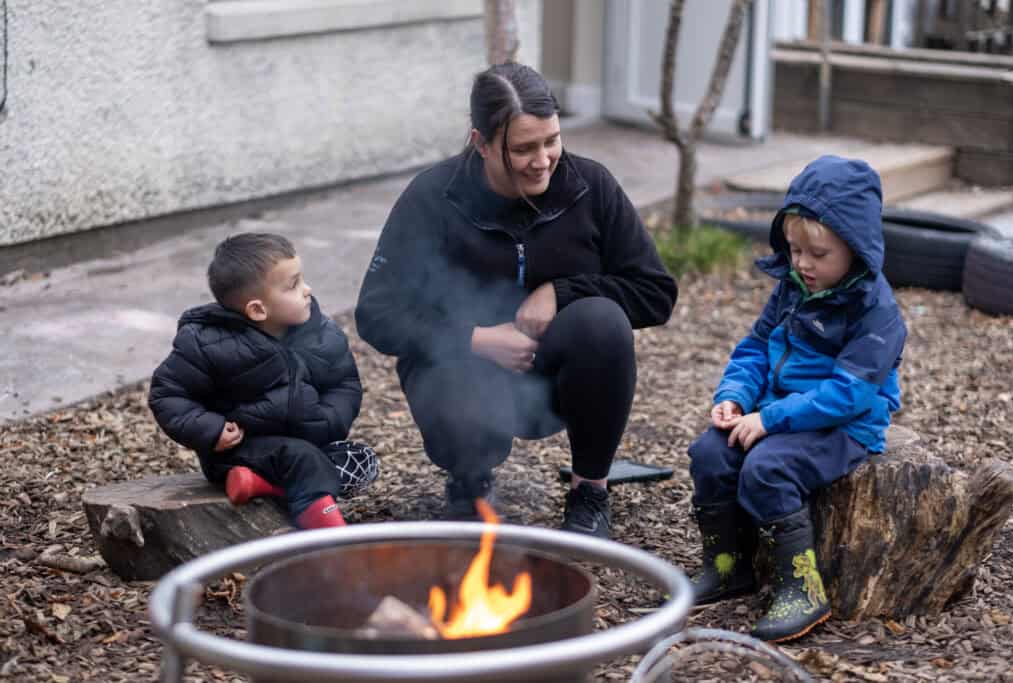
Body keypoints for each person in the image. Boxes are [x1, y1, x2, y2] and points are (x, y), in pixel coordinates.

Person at [354, 62, 677, 538]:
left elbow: (655, 291)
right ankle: (470, 484)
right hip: (465, 378)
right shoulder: (432, 198)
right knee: (441, 357)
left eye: (552, 140)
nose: (544, 160)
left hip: (555, 381)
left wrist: (564, 291)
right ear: (480, 142)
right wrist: (473, 339)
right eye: (524, 148)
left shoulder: (591, 186)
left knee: (602, 321)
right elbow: (375, 312)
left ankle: (590, 492)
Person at [686, 155, 907, 642]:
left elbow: (849, 393)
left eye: (818, 254)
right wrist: (737, 395)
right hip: (778, 412)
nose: (802, 264)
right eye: (793, 250)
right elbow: (757, 347)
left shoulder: (876, 313)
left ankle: (801, 588)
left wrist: (771, 419)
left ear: (856, 249)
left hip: (844, 426)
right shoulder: (792, 288)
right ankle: (727, 566)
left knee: (769, 468)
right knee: (709, 454)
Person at [149, 233, 379, 530]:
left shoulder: (321, 333)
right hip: (241, 453)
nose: (307, 290)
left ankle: (263, 487)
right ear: (258, 309)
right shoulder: (208, 343)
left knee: (362, 462)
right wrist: (211, 431)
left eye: (303, 279)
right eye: (293, 284)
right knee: (302, 459)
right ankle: (333, 540)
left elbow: (344, 383)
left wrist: (327, 420)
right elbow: (167, 394)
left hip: (308, 442)